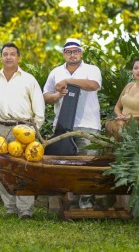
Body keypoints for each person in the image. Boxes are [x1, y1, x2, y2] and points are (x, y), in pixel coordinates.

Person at [0, 42, 45, 220]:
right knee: (4, 169)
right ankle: (10, 207)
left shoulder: (28, 79)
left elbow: (39, 107)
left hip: (23, 129)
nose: (8, 57)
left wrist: (34, 129)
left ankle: (25, 210)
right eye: (5, 54)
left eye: (12, 54)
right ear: (1, 57)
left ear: (18, 57)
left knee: (25, 169)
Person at [43, 37, 101, 209]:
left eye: (76, 51)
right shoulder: (55, 72)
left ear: (81, 53)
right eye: (69, 52)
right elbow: (46, 96)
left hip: (88, 124)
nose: (72, 55)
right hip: (62, 124)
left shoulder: (91, 69)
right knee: (63, 164)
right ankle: (66, 203)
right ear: (64, 54)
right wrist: (57, 95)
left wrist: (68, 81)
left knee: (87, 164)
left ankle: (86, 204)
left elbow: (94, 85)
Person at [107, 57, 139, 140]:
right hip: (121, 123)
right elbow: (117, 107)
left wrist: (132, 116)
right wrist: (120, 115)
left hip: (138, 127)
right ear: (132, 71)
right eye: (136, 68)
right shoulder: (129, 86)